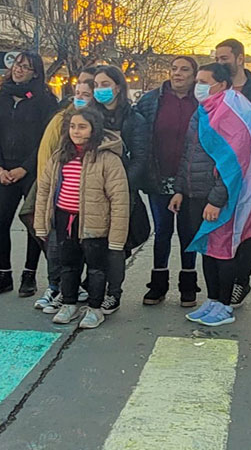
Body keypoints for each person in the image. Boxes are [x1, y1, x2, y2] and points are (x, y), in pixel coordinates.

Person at [172, 63, 251, 327]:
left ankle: (225, 305)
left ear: (223, 85)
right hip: (195, 191)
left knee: (223, 250)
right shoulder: (203, 111)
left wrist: (217, 200)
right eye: (198, 82)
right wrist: (180, 189)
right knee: (207, 249)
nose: (199, 87)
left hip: (219, 197)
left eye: (205, 82)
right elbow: (188, 153)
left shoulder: (233, 112)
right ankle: (213, 299)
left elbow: (233, 162)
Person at [35, 106, 129, 329]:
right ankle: (69, 303)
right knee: (68, 265)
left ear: (94, 129)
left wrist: (117, 237)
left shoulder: (107, 158)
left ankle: (95, 308)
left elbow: (119, 199)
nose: (76, 131)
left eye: (82, 127)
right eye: (72, 126)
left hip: (95, 223)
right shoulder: (60, 156)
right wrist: (41, 222)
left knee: (96, 268)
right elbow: (45, 190)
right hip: (65, 219)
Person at [0, 51, 59, 297]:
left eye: (26, 68)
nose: (19, 70)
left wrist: (24, 168)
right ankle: (3, 273)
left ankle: (29, 274)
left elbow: (45, 139)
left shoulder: (46, 100)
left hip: (31, 170)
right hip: (5, 170)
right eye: (18, 65)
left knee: (32, 223)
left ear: (36, 73)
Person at [27, 67, 98, 312]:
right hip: (58, 191)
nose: (79, 97)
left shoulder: (97, 126)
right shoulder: (61, 119)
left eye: (86, 93)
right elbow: (47, 153)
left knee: (87, 247)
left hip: (88, 201)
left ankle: (82, 288)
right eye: (77, 92)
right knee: (56, 241)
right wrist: (45, 186)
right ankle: (56, 286)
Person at [212, 39, 251, 306]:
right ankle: (221, 284)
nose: (220, 62)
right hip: (221, 170)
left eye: (224, 58)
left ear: (240, 58)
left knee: (248, 227)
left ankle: (241, 281)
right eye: (217, 58)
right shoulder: (215, 89)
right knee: (223, 225)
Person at [134, 56, 201, 307]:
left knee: (188, 233)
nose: (178, 73)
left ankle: (188, 286)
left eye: (185, 69)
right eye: (174, 69)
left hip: (191, 179)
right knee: (162, 231)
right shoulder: (152, 100)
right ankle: (158, 285)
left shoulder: (201, 101)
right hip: (158, 177)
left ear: (194, 75)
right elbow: (137, 133)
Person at [93, 65, 150, 309]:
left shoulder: (134, 120)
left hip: (121, 191)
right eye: (96, 85)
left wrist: (121, 186)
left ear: (118, 87)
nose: (100, 90)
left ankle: (113, 293)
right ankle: (93, 284)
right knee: (94, 243)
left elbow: (140, 157)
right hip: (92, 191)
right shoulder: (89, 117)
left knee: (116, 245)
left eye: (105, 85)